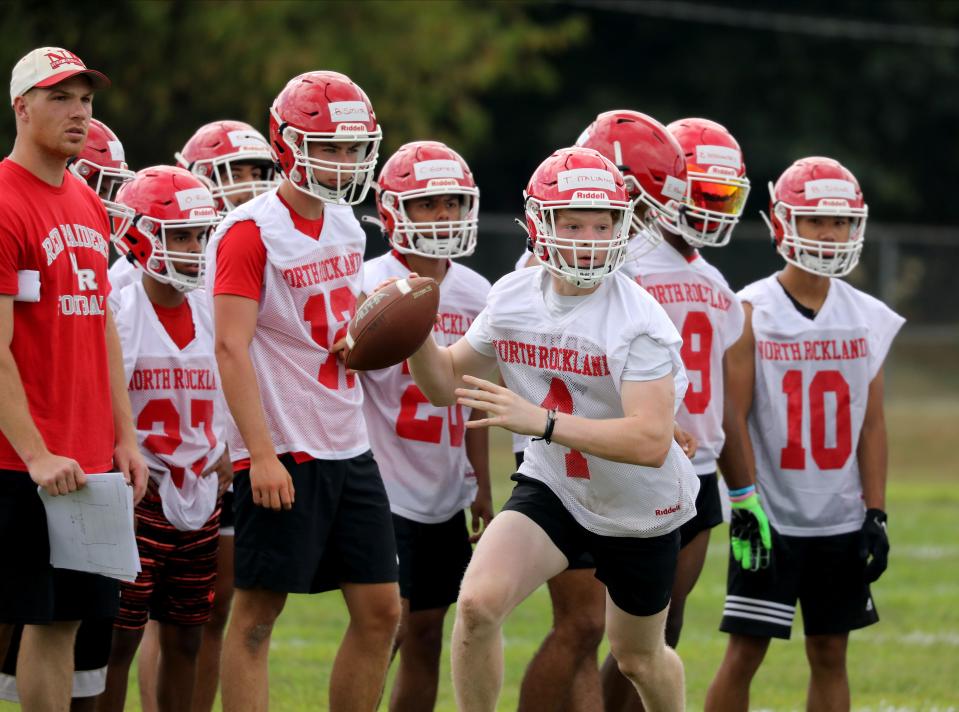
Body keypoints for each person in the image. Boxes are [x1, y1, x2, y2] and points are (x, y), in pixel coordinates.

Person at [399, 146, 699, 712]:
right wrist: (414, 332)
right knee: (478, 604)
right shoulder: (514, 295)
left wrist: (543, 421)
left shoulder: (639, 319)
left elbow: (652, 442)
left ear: (622, 227)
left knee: (638, 657)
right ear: (541, 223)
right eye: (574, 222)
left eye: (603, 223)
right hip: (556, 485)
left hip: (639, 507)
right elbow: (444, 384)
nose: (589, 236)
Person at [209, 70, 400, 712]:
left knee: (380, 612)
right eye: (330, 146)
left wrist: (358, 337)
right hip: (286, 444)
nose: (343, 162)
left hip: (348, 439)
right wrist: (259, 454)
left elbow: (333, 322)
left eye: (353, 149)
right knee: (258, 617)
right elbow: (231, 346)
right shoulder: (249, 230)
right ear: (288, 143)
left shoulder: (346, 223)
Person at [704, 157, 904, 711]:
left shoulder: (867, 316)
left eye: (839, 221)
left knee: (831, 652)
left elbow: (872, 423)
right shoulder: (750, 310)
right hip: (772, 513)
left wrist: (876, 511)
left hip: (839, 514)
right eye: (815, 219)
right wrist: (745, 503)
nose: (829, 233)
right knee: (745, 652)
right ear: (782, 223)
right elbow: (731, 416)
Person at [512, 110, 695, 712]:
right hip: (561, 461)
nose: (641, 223)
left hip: (619, 464)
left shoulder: (626, 268)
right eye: (640, 205)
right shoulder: (546, 268)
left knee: (630, 641)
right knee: (581, 625)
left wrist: (660, 416)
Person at [0, 45, 147, 711]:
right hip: (24, 461)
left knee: (64, 622)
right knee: (27, 616)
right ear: (21, 107)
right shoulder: (4, 201)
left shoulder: (88, 203)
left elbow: (102, 333)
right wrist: (35, 453)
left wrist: (124, 437)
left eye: (86, 99)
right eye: (60, 97)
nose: (79, 112)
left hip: (90, 461)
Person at [599, 116, 763, 712]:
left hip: (701, 475)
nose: (712, 209)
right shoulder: (622, 263)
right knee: (632, 633)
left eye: (724, 197)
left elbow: (725, 405)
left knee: (667, 625)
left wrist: (744, 496)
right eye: (703, 194)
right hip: (638, 459)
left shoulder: (717, 283)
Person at [128, 118, 276, 712]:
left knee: (204, 616)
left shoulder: (261, 244)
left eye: (257, 172)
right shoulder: (129, 293)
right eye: (231, 172)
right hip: (146, 471)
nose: (245, 184)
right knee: (132, 625)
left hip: (218, 460)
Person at [360, 140, 493, 712]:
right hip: (383, 484)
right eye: (427, 203)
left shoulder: (478, 292)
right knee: (387, 628)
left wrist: (482, 484)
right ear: (394, 211)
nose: (443, 216)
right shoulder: (364, 283)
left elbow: (478, 400)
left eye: (451, 203)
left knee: (428, 634)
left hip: (445, 485)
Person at [94, 166, 227, 712]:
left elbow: (235, 385)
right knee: (118, 638)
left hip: (201, 492)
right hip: (139, 492)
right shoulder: (121, 310)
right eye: (179, 235)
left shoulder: (213, 307)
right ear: (139, 235)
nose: (194, 248)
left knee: (188, 635)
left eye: (200, 235)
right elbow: (102, 404)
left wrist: (224, 451)